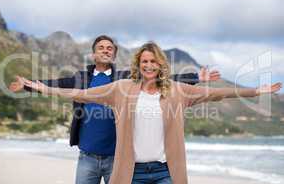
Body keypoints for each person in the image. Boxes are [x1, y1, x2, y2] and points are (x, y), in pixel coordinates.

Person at [22, 42, 282, 184]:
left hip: (164, 172)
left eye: (153, 61)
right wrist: (44, 88)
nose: (148, 65)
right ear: (139, 64)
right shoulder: (121, 88)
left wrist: (255, 92)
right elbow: (80, 94)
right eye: (144, 61)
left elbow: (218, 93)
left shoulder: (178, 91)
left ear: (160, 65)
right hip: (132, 173)